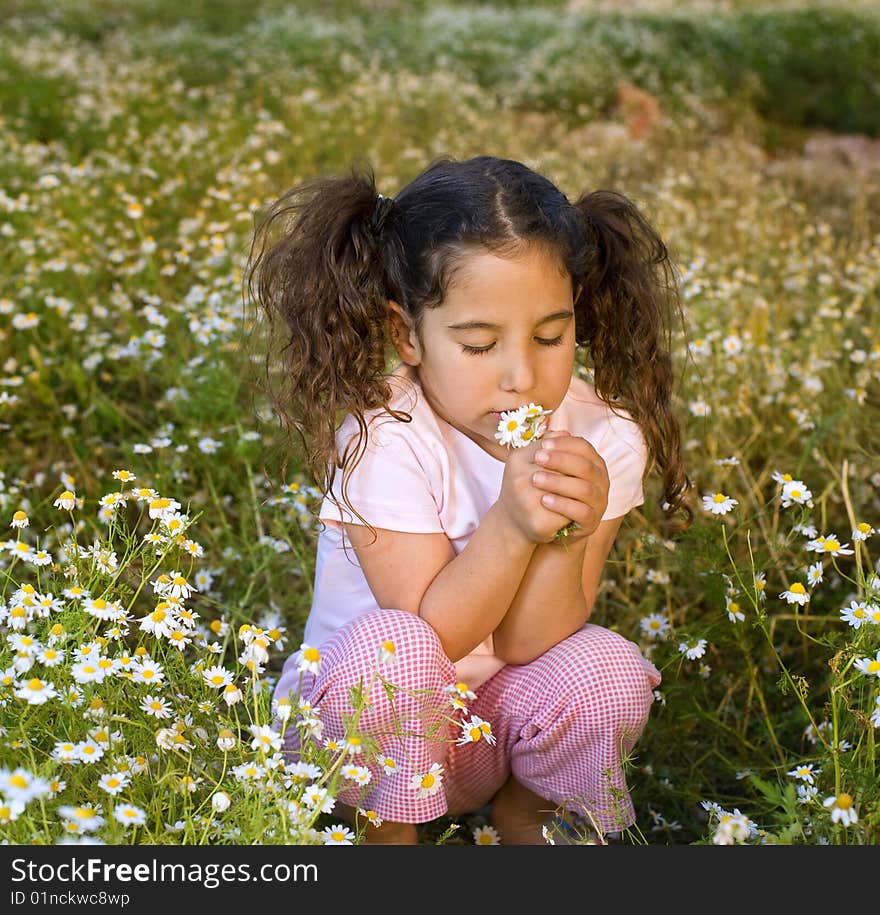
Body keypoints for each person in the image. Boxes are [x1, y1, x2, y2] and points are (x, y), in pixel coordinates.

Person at [247, 154, 691, 845]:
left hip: (485, 735)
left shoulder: (605, 435)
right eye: (480, 344)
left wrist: (564, 528)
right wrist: (515, 523)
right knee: (395, 649)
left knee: (606, 664)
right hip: (354, 736)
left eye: (551, 335)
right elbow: (436, 632)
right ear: (407, 337)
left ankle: (527, 817)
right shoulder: (383, 436)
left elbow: (527, 640)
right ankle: (387, 836)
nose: (521, 376)